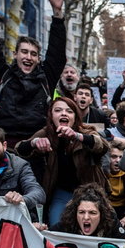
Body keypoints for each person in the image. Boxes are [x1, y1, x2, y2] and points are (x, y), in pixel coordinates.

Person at [0, 0, 66, 147]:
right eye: (24, 52)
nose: (28, 57)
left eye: (33, 54)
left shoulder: (46, 78)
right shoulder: (3, 74)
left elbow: (57, 54)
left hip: (38, 146)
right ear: (15, 54)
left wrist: (57, 14)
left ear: (38, 59)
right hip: (4, 147)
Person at [15, 96, 108, 224]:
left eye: (69, 111)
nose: (64, 113)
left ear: (75, 117)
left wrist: (77, 136)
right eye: (58, 110)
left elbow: (102, 146)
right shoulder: (46, 133)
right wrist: (35, 143)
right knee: (56, 226)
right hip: (61, 193)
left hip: (90, 192)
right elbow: (19, 150)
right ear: (51, 116)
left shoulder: (86, 131)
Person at [49, 182, 125, 238]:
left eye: (92, 213)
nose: (86, 217)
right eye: (81, 212)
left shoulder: (111, 222)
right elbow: (46, 237)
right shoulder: (68, 223)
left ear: (102, 214)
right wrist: (39, 231)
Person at [103, 140, 125, 234]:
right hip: (106, 209)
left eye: (121, 157)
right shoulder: (102, 174)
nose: (118, 160)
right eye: (114, 157)